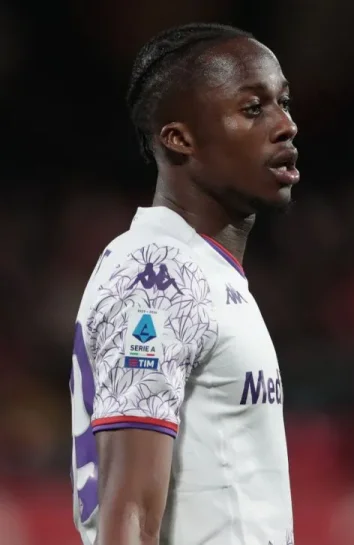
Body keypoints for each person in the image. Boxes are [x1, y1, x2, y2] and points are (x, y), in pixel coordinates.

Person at [69, 22, 298, 545]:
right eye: (253, 108)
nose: (286, 125)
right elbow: (128, 519)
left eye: (283, 103)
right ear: (178, 139)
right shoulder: (157, 277)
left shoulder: (203, 271)